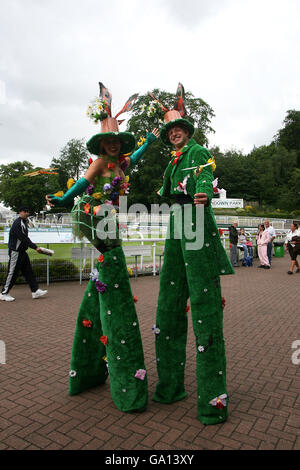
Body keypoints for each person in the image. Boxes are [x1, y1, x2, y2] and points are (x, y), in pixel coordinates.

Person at [46, 84, 158, 413]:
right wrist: (65, 199)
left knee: (107, 264)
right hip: (93, 214)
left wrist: (148, 143)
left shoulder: (121, 163)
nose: (112, 145)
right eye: (108, 141)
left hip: (108, 216)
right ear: (101, 144)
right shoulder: (98, 165)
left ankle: (90, 366)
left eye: (116, 142)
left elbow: (133, 159)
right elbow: (82, 183)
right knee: (111, 255)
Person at [152, 87, 234, 425]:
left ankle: (212, 402)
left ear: (187, 131)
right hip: (176, 220)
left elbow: (204, 172)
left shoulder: (198, 150)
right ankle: (169, 387)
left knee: (202, 304)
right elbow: (168, 189)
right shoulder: (172, 159)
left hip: (195, 220)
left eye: (179, 129)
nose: (175, 133)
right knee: (169, 303)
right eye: (171, 131)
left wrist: (202, 190)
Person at [0, 206, 48, 301]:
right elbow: (23, 238)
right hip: (16, 252)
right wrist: (35, 247)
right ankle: (4, 293)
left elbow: (24, 239)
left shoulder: (23, 222)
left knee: (28, 271)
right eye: (25, 211)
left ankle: (35, 291)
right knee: (12, 272)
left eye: (28, 211)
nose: (27, 213)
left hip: (22, 252)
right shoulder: (18, 223)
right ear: (20, 212)